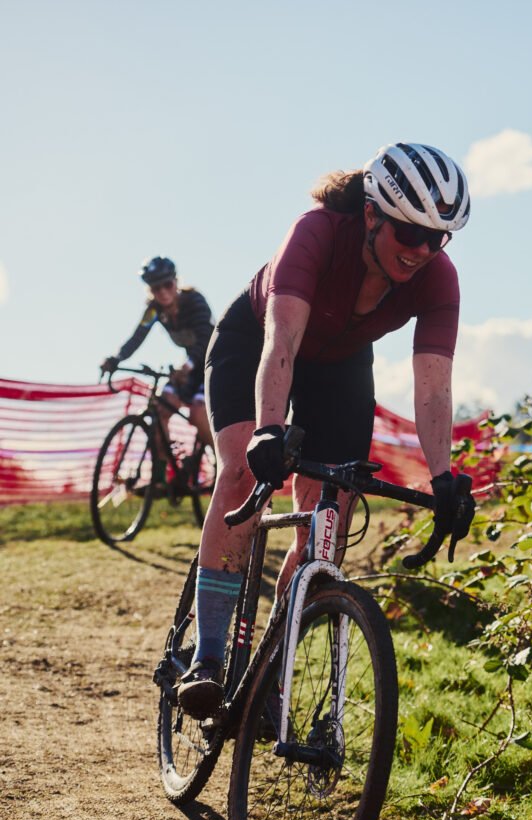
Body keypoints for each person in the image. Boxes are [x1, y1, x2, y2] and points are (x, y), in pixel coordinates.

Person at [178, 142, 475, 719]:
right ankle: (207, 657)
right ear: (371, 215)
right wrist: (269, 431)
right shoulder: (316, 232)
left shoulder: (438, 279)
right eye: (408, 232)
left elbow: (434, 388)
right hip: (256, 341)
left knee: (331, 517)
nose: (421, 250)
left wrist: (443, 478)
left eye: (436, 238)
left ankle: (270, 669)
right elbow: (281, 344)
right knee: (242, 473)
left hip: (340, 364)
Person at [100, 257, 214, 483]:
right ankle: (159, 479)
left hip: (213, 362)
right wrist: (116, 358)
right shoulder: (153, 310)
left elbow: (204, 340)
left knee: (198, 413)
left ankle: (225, 463)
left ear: (176, 281)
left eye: (167, 285)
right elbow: (137, 337)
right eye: (155, 288)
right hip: (189, 366)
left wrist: (188, 366)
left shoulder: (194, 300)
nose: (162, 292)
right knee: (161, 409)